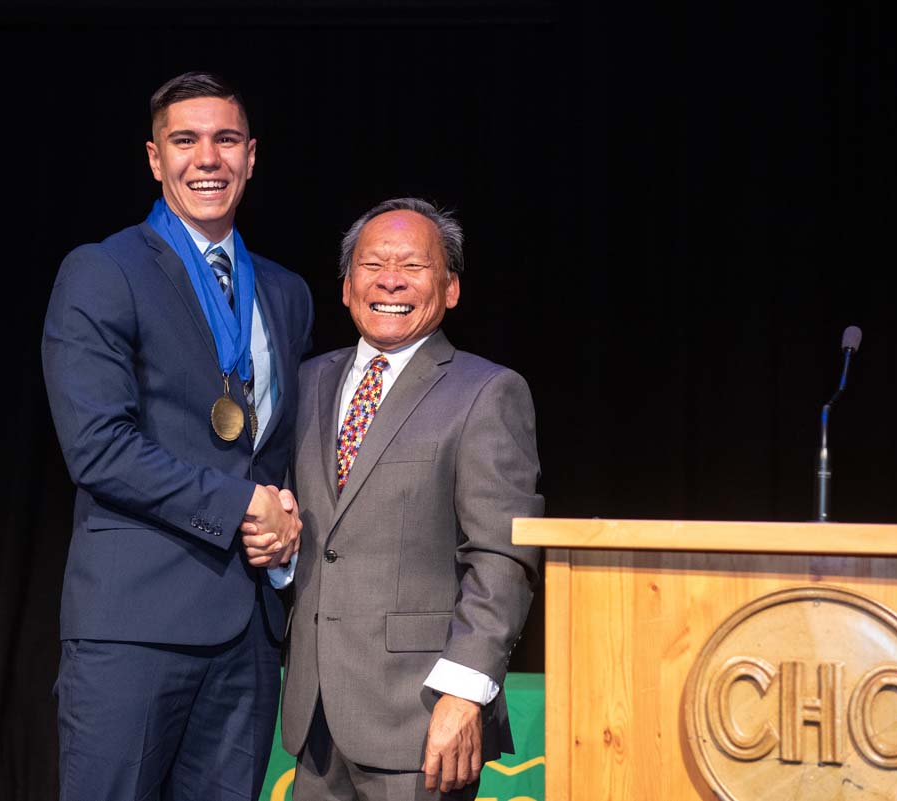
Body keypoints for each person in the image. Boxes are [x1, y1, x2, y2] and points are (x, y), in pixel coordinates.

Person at [41, 71, 313, 801]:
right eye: (184, 140)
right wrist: (240, 508)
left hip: (250, 631)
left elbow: (275, 452)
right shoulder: (104, 271)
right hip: (135, 625)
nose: (208, 158)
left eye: (226, 139)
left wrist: (285, 529)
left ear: (251, 156)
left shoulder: (286, 291)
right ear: (155, 159)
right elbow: (98, 446)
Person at [279, 198, 544, 800]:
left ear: (450, 288)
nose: (390, 280)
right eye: (373, 265)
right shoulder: (309, 382)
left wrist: (465, 691)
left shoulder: (487, 392)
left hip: (422, 719)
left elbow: (502, 557)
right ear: (346, 287)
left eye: (412, 266)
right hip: (315, 721)